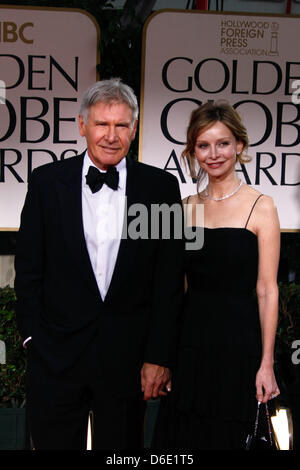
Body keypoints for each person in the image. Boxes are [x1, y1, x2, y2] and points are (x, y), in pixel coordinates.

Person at [14, 78, 184, 450]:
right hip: (57, 358)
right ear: (82, 126)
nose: (111, 135)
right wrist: (32, 337)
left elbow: (167, 279)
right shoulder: (46, 182)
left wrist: (158, 355)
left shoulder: (160, 188)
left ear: (135, 129)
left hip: (127, 361)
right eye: (101, 124)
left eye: (121, 125)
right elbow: (29, 269)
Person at [153, 101, 280, 450]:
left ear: (239, 146)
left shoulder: (261, 206)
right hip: (190, 347)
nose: (214, 154)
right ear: (193, 150)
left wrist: (266, 363)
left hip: (239, 348)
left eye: (223, 143)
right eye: (203, 145)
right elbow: (174, 288)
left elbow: (267, 290)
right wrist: (164, 357)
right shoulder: (184, 208)